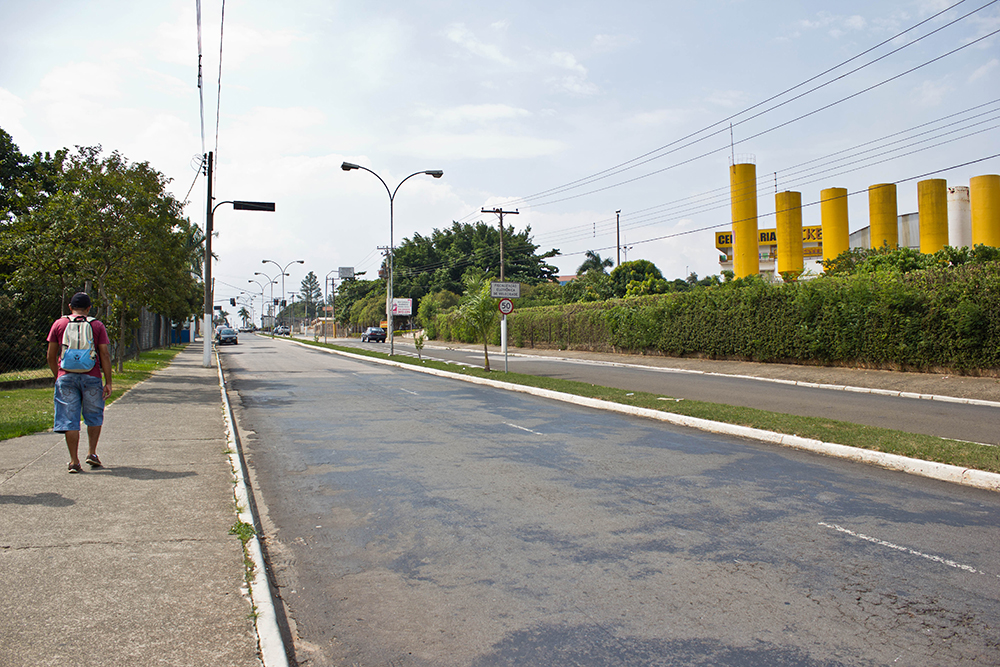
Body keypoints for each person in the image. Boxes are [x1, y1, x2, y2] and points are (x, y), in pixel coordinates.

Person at [46, 292, 113, 473]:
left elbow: (51, 355)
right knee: (94, 416)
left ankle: (74, 461)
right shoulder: (96, 325)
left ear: (70, 307)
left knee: (70, 419)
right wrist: (108, 381)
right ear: (90, 308)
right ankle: (92, 452)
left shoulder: (59, 324)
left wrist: (58, 374)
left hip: (65, 376)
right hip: (92, 376)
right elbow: (104, 354)